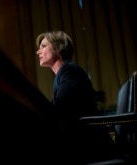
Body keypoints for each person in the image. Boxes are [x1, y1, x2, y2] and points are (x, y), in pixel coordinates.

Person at [36, 31, 115, 164]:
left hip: (89, 144)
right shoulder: (62, 74)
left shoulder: (69, 71)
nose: (39, 51)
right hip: (81, 139)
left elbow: (59, 106)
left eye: (43, 46)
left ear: (58, 48)